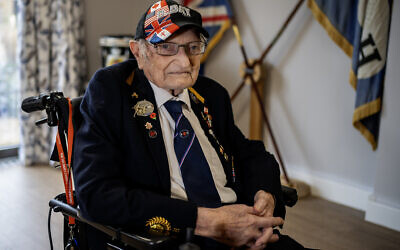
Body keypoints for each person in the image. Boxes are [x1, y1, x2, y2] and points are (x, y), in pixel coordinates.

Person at [73, 0, 307, 249]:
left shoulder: (211, 94)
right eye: (166, 47)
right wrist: (208, 221)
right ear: (139, 53)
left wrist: (265, 196)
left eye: (193, 47)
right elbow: (96, 194)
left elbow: (252, 155)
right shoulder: (112, 91)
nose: (185, 62)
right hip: (172, 238)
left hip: (245, 231)